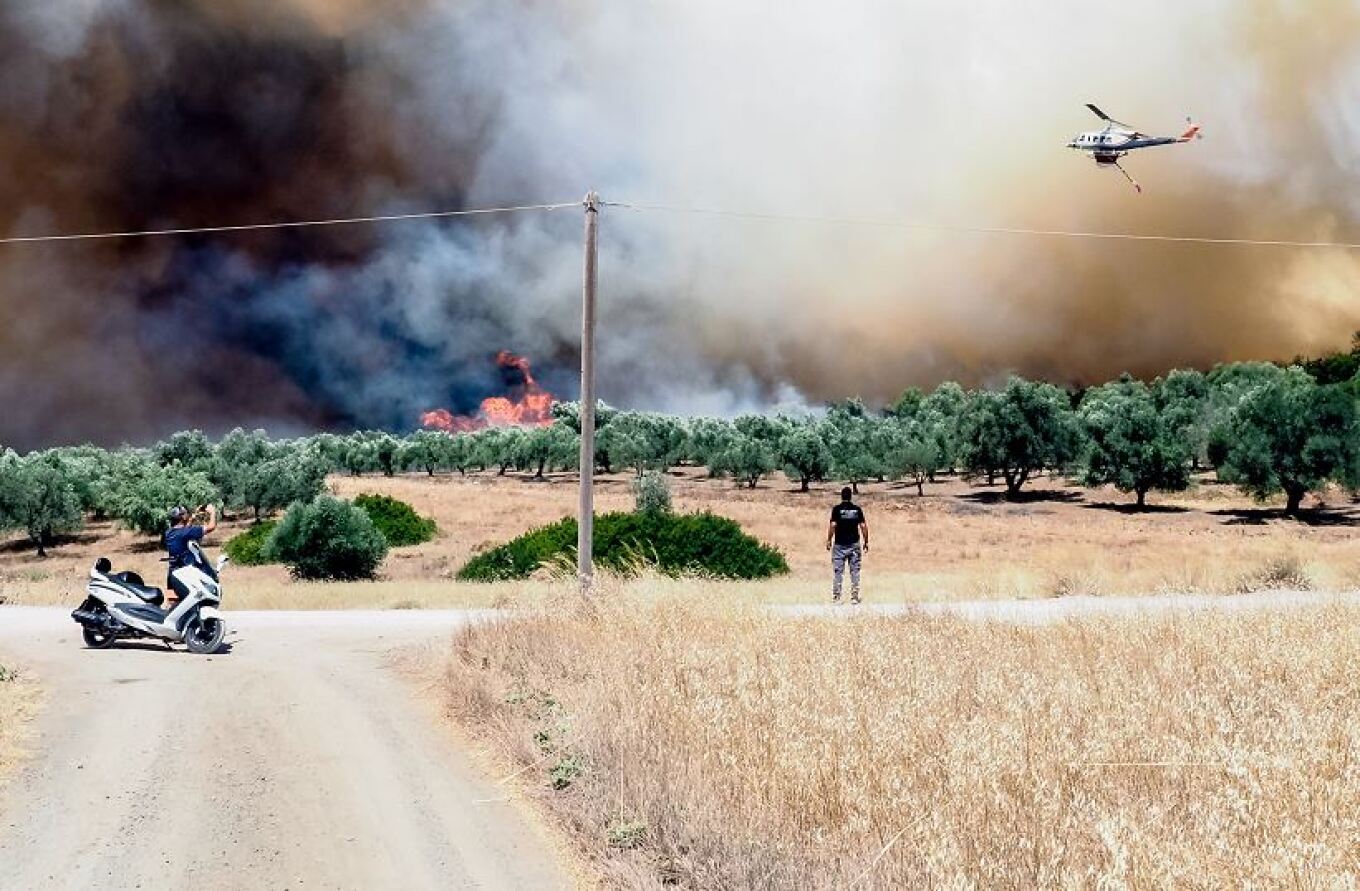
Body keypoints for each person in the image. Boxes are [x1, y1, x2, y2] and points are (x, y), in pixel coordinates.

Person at [163, 504, 217, 608]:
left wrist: (191, 519)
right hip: (186, 574)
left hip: (173, 573)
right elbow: (211, 527)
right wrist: (212, 512)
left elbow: (183, 531)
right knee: (194, 601)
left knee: (172, 603)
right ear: (182, 517)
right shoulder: (186, 532)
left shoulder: (169, 533)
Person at [826, 486, 869, 604]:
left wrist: (829, 540)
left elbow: (833, 525)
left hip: (839, 545)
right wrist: (866, 541)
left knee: (838, 571)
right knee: (855, 571)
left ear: (841, 496)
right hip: (854, 544)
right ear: (851, 496)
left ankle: (837, 597)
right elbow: (863, 526)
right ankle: (854, 597)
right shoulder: (857, 510)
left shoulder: (836, 509)